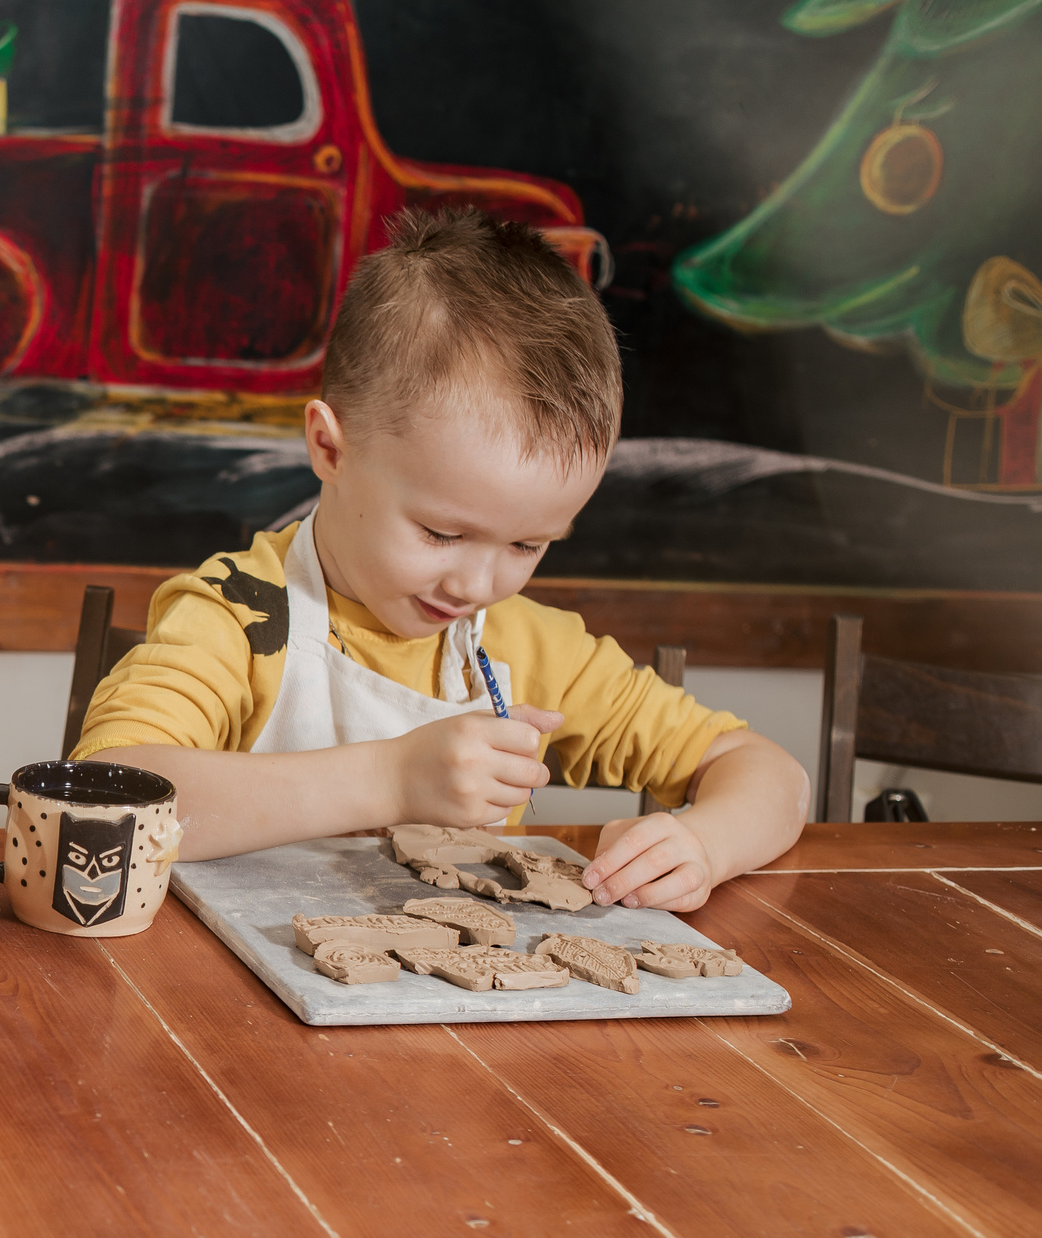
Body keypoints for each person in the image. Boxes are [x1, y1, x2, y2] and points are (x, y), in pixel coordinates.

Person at [73, 208, 807, 912]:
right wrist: (389, 778)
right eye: (441, 533)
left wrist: (703, 845)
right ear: (331, 448)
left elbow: (773, 776)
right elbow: (103, 803)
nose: (478, 583)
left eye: (528, 545)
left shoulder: (532, 650)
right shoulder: (235, 618)